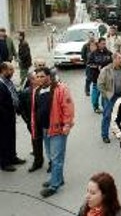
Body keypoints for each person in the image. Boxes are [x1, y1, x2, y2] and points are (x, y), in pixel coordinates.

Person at [31, 67, 74, 197]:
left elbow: (68, 107)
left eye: (42, 76)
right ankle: (58, 179)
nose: (39, 79)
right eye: (37, 77)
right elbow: (35, 110)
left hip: (57, 129)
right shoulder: (36, 91)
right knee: (51, 155)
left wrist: (67, 124)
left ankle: (54, 185)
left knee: (56, 158)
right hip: (44, 129)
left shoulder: (60, 89)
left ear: (49, 76)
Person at [0, 62, 25, 171]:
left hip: (11, 114)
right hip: (3, 117)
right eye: (10, 70)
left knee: (11, 136)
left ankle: (12, 157)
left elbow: (13, 94)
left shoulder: (8, 81)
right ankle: (4, 163)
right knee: (3, 139)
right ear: (3, 70)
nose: (13, 72)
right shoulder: (0, 84)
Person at [97, 52, 121, 144]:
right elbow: (100, 84)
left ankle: (119, 132)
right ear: (114, 59)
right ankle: (105, 135)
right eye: (119, 58)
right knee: (107, 116)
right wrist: (106, 95)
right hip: (110, 97)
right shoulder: (106, 70)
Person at [18, 71, 44, 172]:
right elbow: (21, 109)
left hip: (44, 122)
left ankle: (52, 163)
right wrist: (28, 120)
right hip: (32, 123)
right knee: (36, 141)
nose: (38, 79)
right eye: (35, 77)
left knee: (48, 142)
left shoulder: (44, 90)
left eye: (39, 77)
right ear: (31, 80)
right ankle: (38, 161)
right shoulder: (25, 93)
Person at [88, 38, 112, 113]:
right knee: (96, 92)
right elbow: (89, 64)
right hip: (96, 76)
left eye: (105, 43)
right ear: (98, 44)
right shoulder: (93, 54)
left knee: (104, 92)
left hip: (106, 76)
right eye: (102, 43)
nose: (103, 45)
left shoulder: (108, 53)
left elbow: (112, 62)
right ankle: (95, 106)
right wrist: (97, 66)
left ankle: (105, 106)